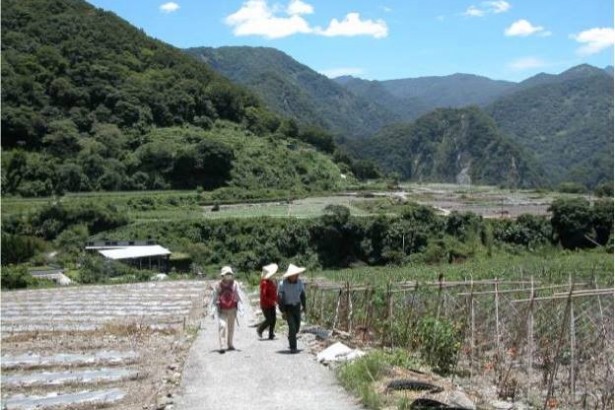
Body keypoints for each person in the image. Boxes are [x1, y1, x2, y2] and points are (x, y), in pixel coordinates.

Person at [210, 266, 243, 353]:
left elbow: (238, 295)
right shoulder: (217, 285)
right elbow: (214, 298)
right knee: (222, 325)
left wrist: (241, 308)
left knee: (231, 327)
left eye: (230, 274)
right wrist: (212, 310)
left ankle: (230, 344)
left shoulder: (235, 284)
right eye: (226, 274)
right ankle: (222, 345)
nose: (228, 276)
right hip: (222, 309)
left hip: (232, 308)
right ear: (223, 275)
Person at [277, 264, 307, 353]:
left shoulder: (300, 283)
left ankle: (291, 336)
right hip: (288, 308)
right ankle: (293, 347)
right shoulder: (282, 284)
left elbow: (302, 295)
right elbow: (280, 298)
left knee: (297, 327)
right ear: (290, 275)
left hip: (297, 307)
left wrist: (304, 306)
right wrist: (283, 311)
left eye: (297, 274)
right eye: (295, 274)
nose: (297, 276)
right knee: (292, 327)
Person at [257, 263, 279, 340]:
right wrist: (272, 301)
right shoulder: (264, 283)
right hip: (265, 304)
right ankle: (260, 329)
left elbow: (274, 293)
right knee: (269, 319)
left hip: (272, 303)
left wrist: (276, 300)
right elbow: (264, 296)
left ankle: (271, 334)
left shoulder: (272, 282)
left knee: (274, 319)